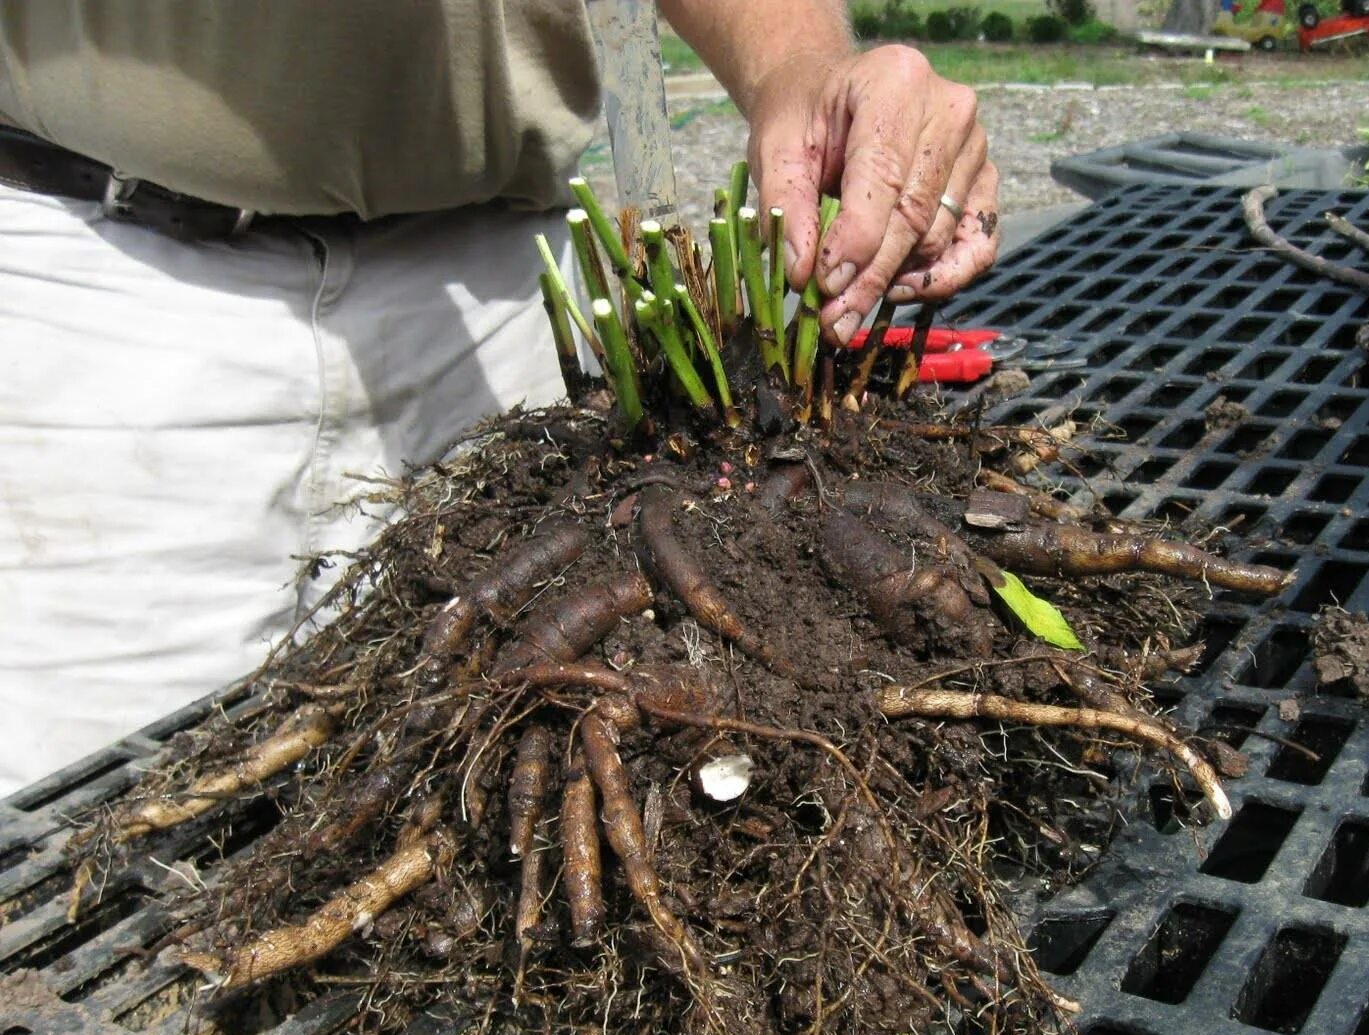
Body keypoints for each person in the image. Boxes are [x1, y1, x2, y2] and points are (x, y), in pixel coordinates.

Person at [0, 0, 999, 795]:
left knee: (479, 756)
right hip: (103, 282)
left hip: (491, 279)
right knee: (98, 808)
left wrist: (795, 62)